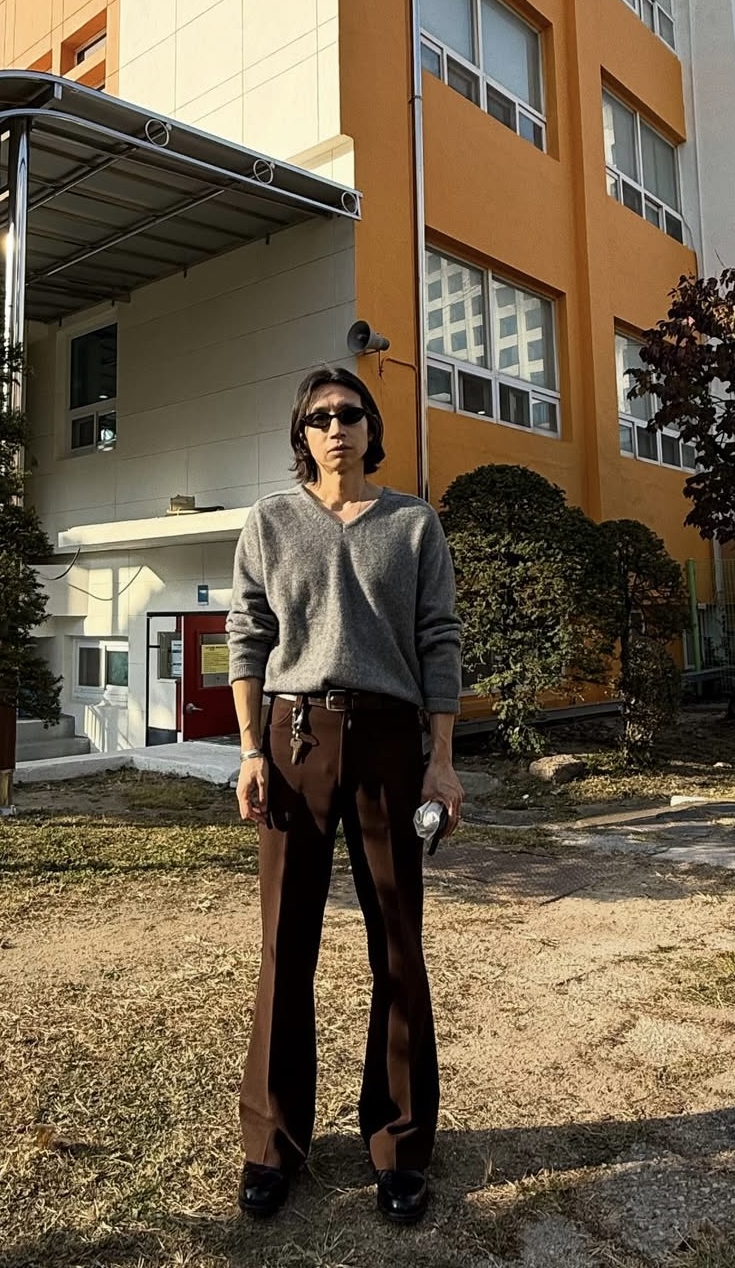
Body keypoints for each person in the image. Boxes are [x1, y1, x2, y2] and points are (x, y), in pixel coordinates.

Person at [225, 365, 464, 1225]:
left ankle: (400, 1144)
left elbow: (439, 639)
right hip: (294, 739)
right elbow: (248, 634)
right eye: (320, 417)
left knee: (397, 943)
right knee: (285, 943)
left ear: (371, 428)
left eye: (350, 414)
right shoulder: (270, 521)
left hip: (391, 740)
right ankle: (272, 1143)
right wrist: (249, 750)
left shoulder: (412, 524)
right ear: (303, 434)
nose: (336, 428)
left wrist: (442, 761)